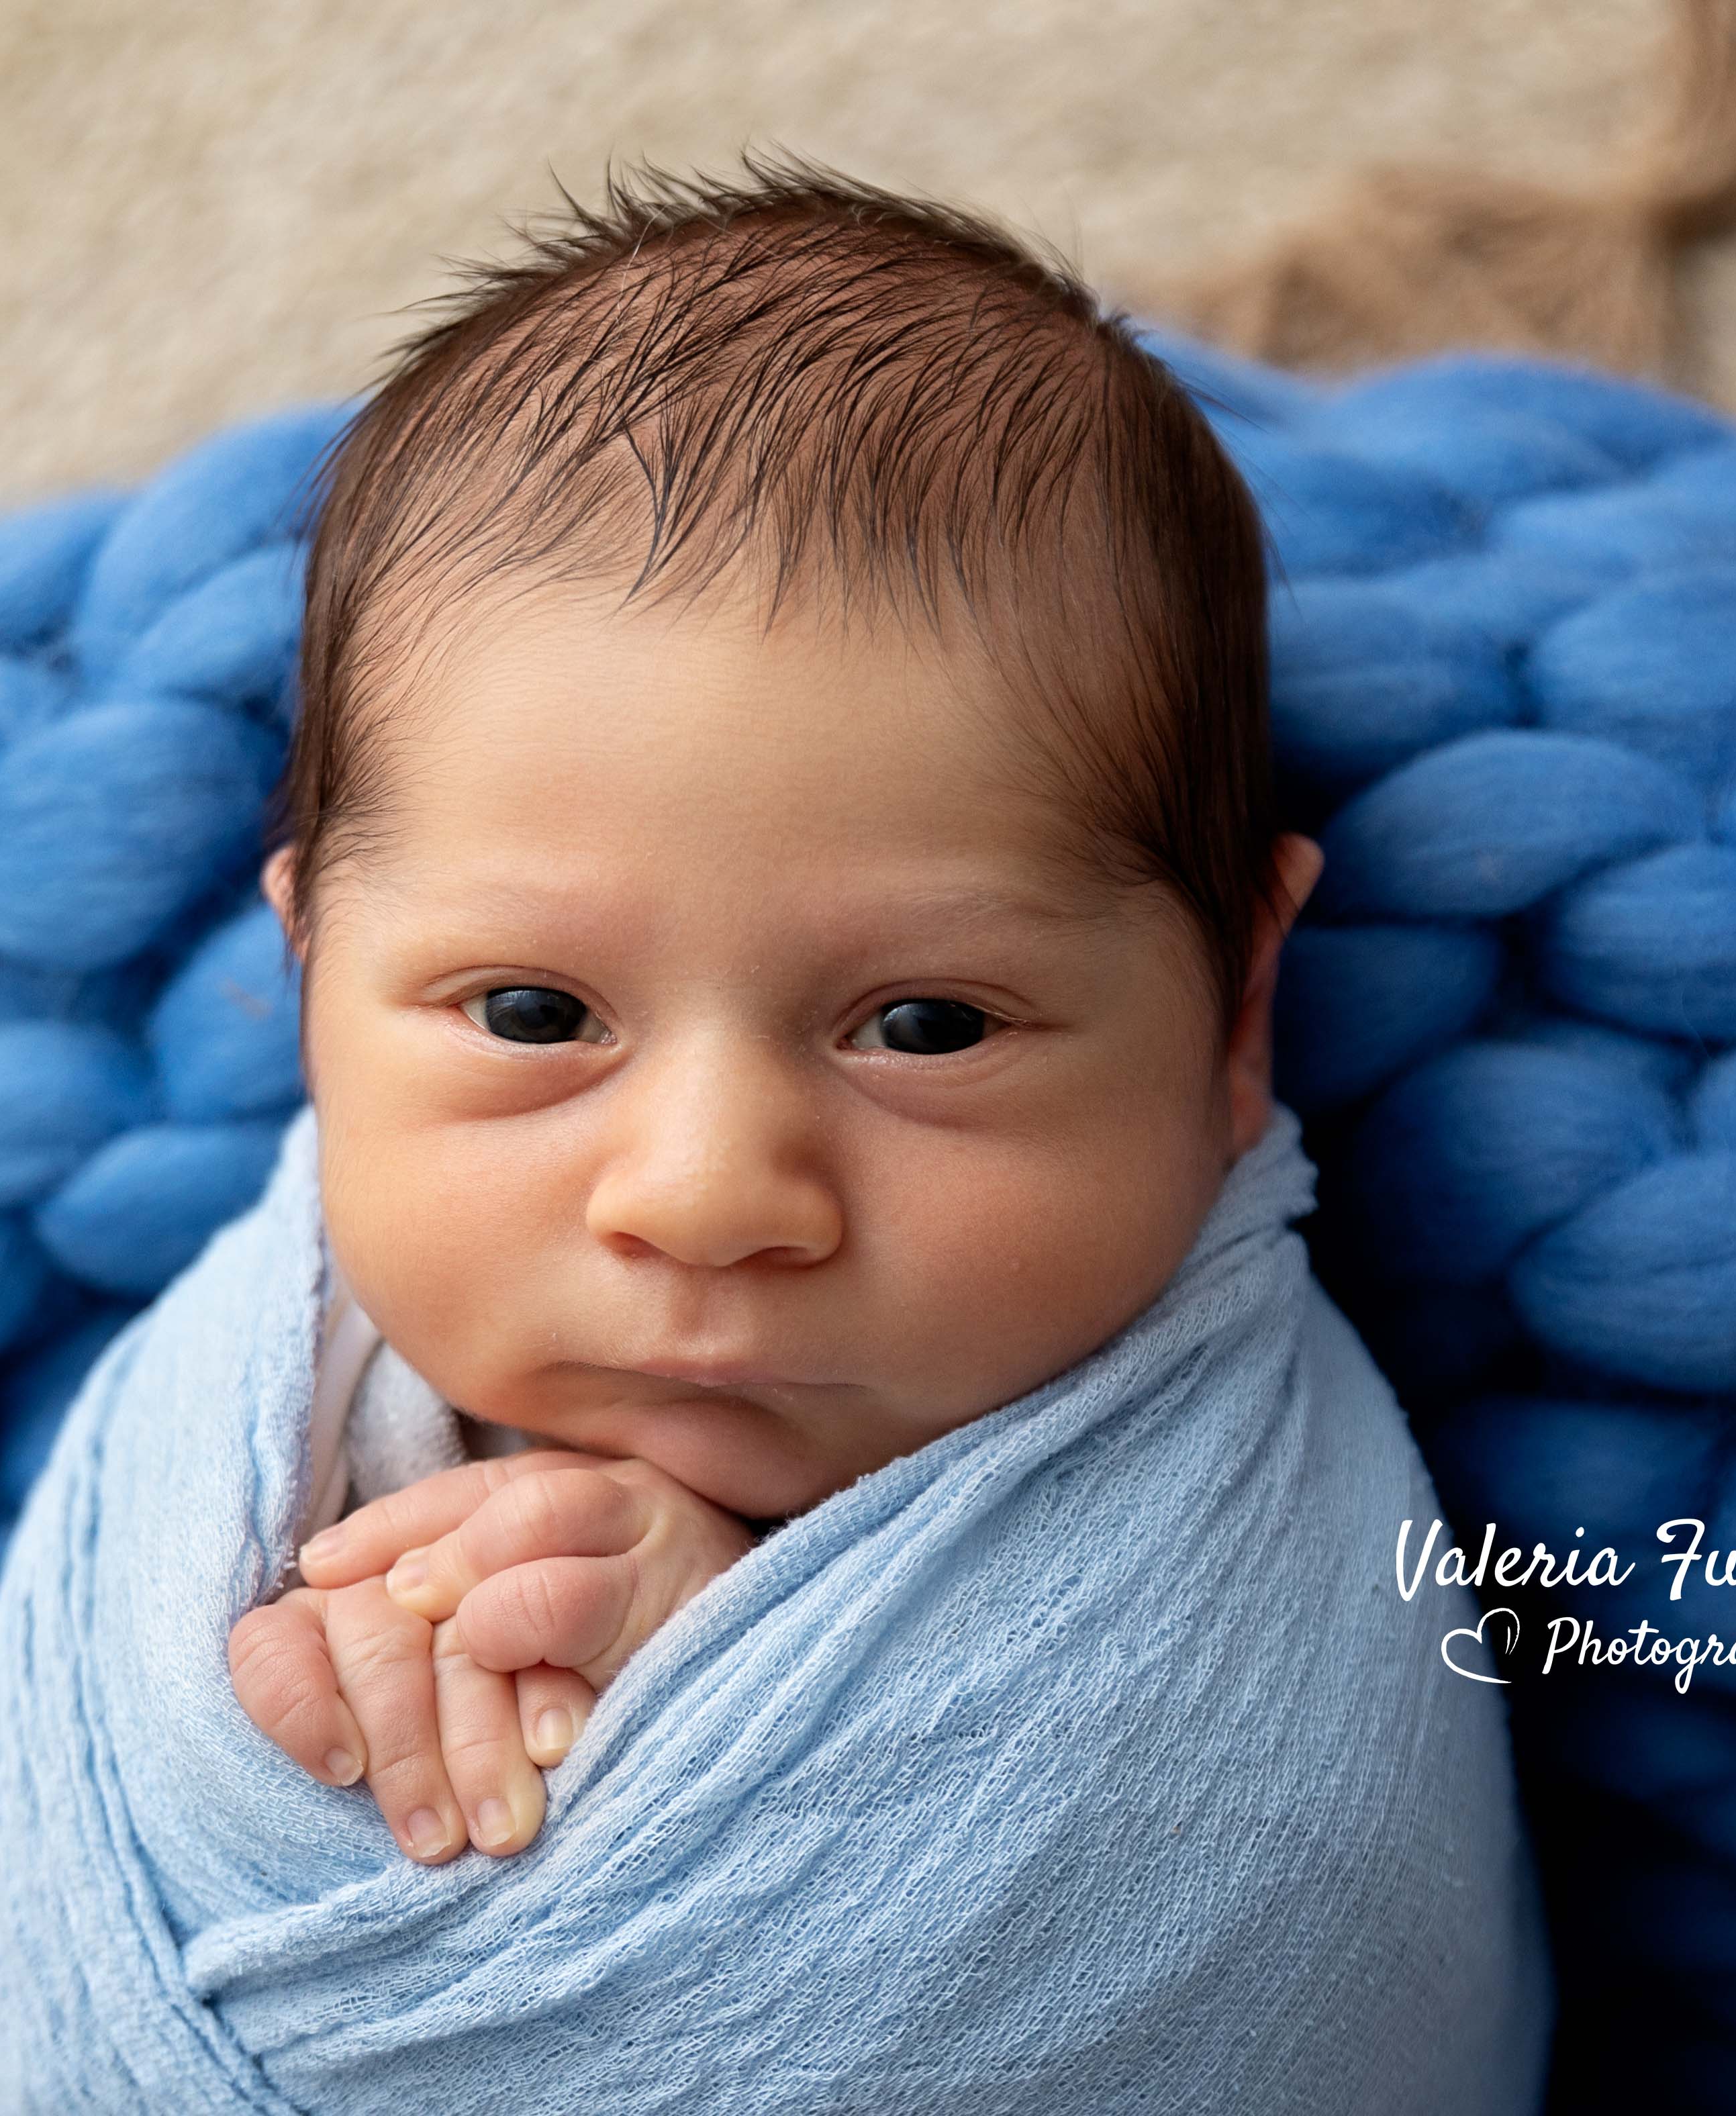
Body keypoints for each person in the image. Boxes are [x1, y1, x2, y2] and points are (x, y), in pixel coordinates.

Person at [222, 159, 1394, 1869]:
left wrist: (726, 1646)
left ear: (1236, 1016)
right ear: (313, 977)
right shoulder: (258, 1411)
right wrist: (256, 1712)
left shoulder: (1237, 1532)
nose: (705, 1196)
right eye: (538, 1012)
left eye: (922, 1028)